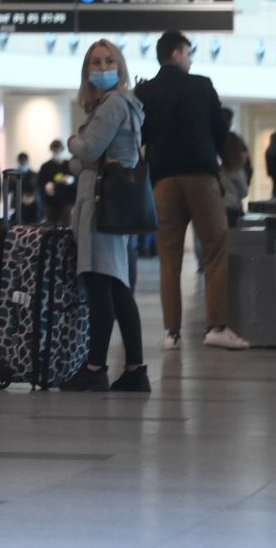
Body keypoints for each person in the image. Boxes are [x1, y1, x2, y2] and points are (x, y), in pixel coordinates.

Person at [136, 30, 245, 351]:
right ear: (175, 54)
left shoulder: (146, 91)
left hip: (163, 181)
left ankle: (171, 333)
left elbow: (141, 136)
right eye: (188, 52)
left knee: (168, 258)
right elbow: (220, 132)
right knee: (214, 248)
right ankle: (217, 327)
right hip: (200, 177)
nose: (191, 58)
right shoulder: (201, 85)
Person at [61, 39, 151, 393]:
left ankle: (96, 366)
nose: (101, 68)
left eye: (108, 61)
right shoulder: (117, 104)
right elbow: (82, 162)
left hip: (101, 204)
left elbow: (87, 150)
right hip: (106, 202)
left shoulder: (113, 104)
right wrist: (82, 157)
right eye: (95, 63)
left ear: (120, 66)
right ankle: (134, 368)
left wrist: (72, 141)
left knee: (102, 285)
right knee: (115, 286)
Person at [37, 140, 76, 224]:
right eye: (54, 150)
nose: (56, 153)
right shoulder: (45, 166)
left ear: (62, 150)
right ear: (51, 150)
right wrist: (46, 187)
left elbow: (77, 181)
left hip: (67, 201)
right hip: (51, 202)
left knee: (67, 224)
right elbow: (40, 183)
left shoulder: (69, 165)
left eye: (58, 150)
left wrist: (71, 180)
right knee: (51, 225)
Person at [220, 132, 251, 229]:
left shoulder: (219, 170)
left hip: (219, 209)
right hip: (234, 209)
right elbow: (244, 192)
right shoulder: (238, 171)